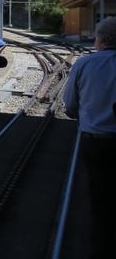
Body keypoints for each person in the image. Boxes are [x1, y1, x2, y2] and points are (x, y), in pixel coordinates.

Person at [63, 17, 116, 258]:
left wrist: (82, 115)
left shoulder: (85, 64)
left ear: (101, 40)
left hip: (96, 141)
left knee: (100, 199)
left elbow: (70, 105)